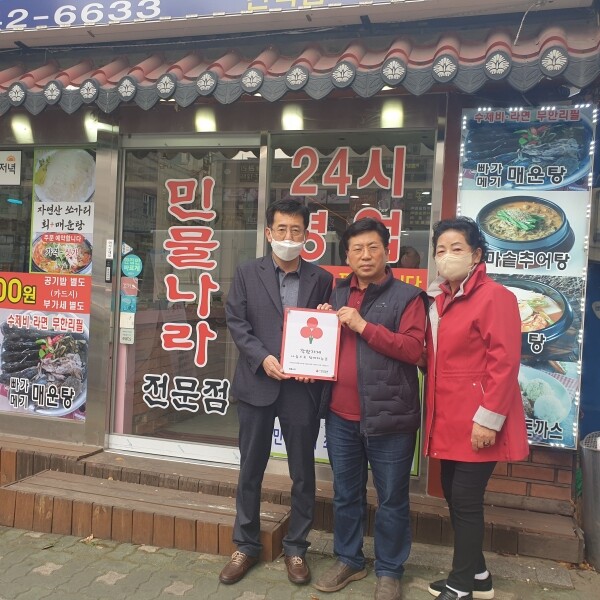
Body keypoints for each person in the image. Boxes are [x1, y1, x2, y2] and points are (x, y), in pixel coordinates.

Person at [220, 199, 333, 586]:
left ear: (306, 235)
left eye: (296, 230)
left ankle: (297, 547)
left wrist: (321, 338)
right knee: (251, 467)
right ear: (269, 233)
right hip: (257, 383)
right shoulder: (246, 272)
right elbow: (236, 322)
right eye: (281, 229)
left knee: (303, 471)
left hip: (301, 389)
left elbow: (325, 326)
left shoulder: (321, 278)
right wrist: (262, 358)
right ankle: (245, 544)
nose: (288, 236)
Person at [314, 218, 427, 600]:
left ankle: (390, 570)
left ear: (386, 251)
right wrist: (322, 322)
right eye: (357, 249)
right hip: (340, 417)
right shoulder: (337, 292)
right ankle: (349, 560)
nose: (365, 255)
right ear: (347, 255)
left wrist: (363, 325)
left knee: (392, 498)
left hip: (390, 418)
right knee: (346, 494)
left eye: (373, 247)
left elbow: (413, 349)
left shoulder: (408, 297)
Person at [422, 217, 529, 600]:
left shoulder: (495, 297)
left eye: (457, 249)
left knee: (466, 501)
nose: (447, 256)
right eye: (440, 250)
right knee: (454, 494)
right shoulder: (440, 300)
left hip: (478, 422)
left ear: (476, 254)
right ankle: (479, 575)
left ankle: (461, 584)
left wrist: (488, 421)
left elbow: (505, 363)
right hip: (449, 420)